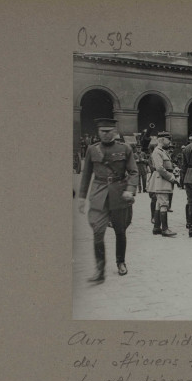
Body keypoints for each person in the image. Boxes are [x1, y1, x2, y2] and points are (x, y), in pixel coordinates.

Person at [77, 118, 139, 283]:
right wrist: (82, 197)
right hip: (99, 194)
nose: (105, 134)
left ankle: (121, 262)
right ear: (98, 132)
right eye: (102, 131)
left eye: (108, 131)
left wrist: (130, 190)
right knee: (98, 231)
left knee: (120, 230)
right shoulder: (92, 149)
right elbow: (86, 174)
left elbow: (133, 172)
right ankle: (99, 269)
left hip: (119, 194)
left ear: (115, 131)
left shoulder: (125, 149)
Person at [148, 132, 179, 237]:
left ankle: (156, 227)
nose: (169, 141)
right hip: (162, 180)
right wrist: (171, 177)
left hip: (162, 179)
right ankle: (165, 229)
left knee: (159, 203)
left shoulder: (162, 151)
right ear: (162, 140)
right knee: (164, 203)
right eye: (168, 139)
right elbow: (160, 168)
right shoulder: (158, 151)